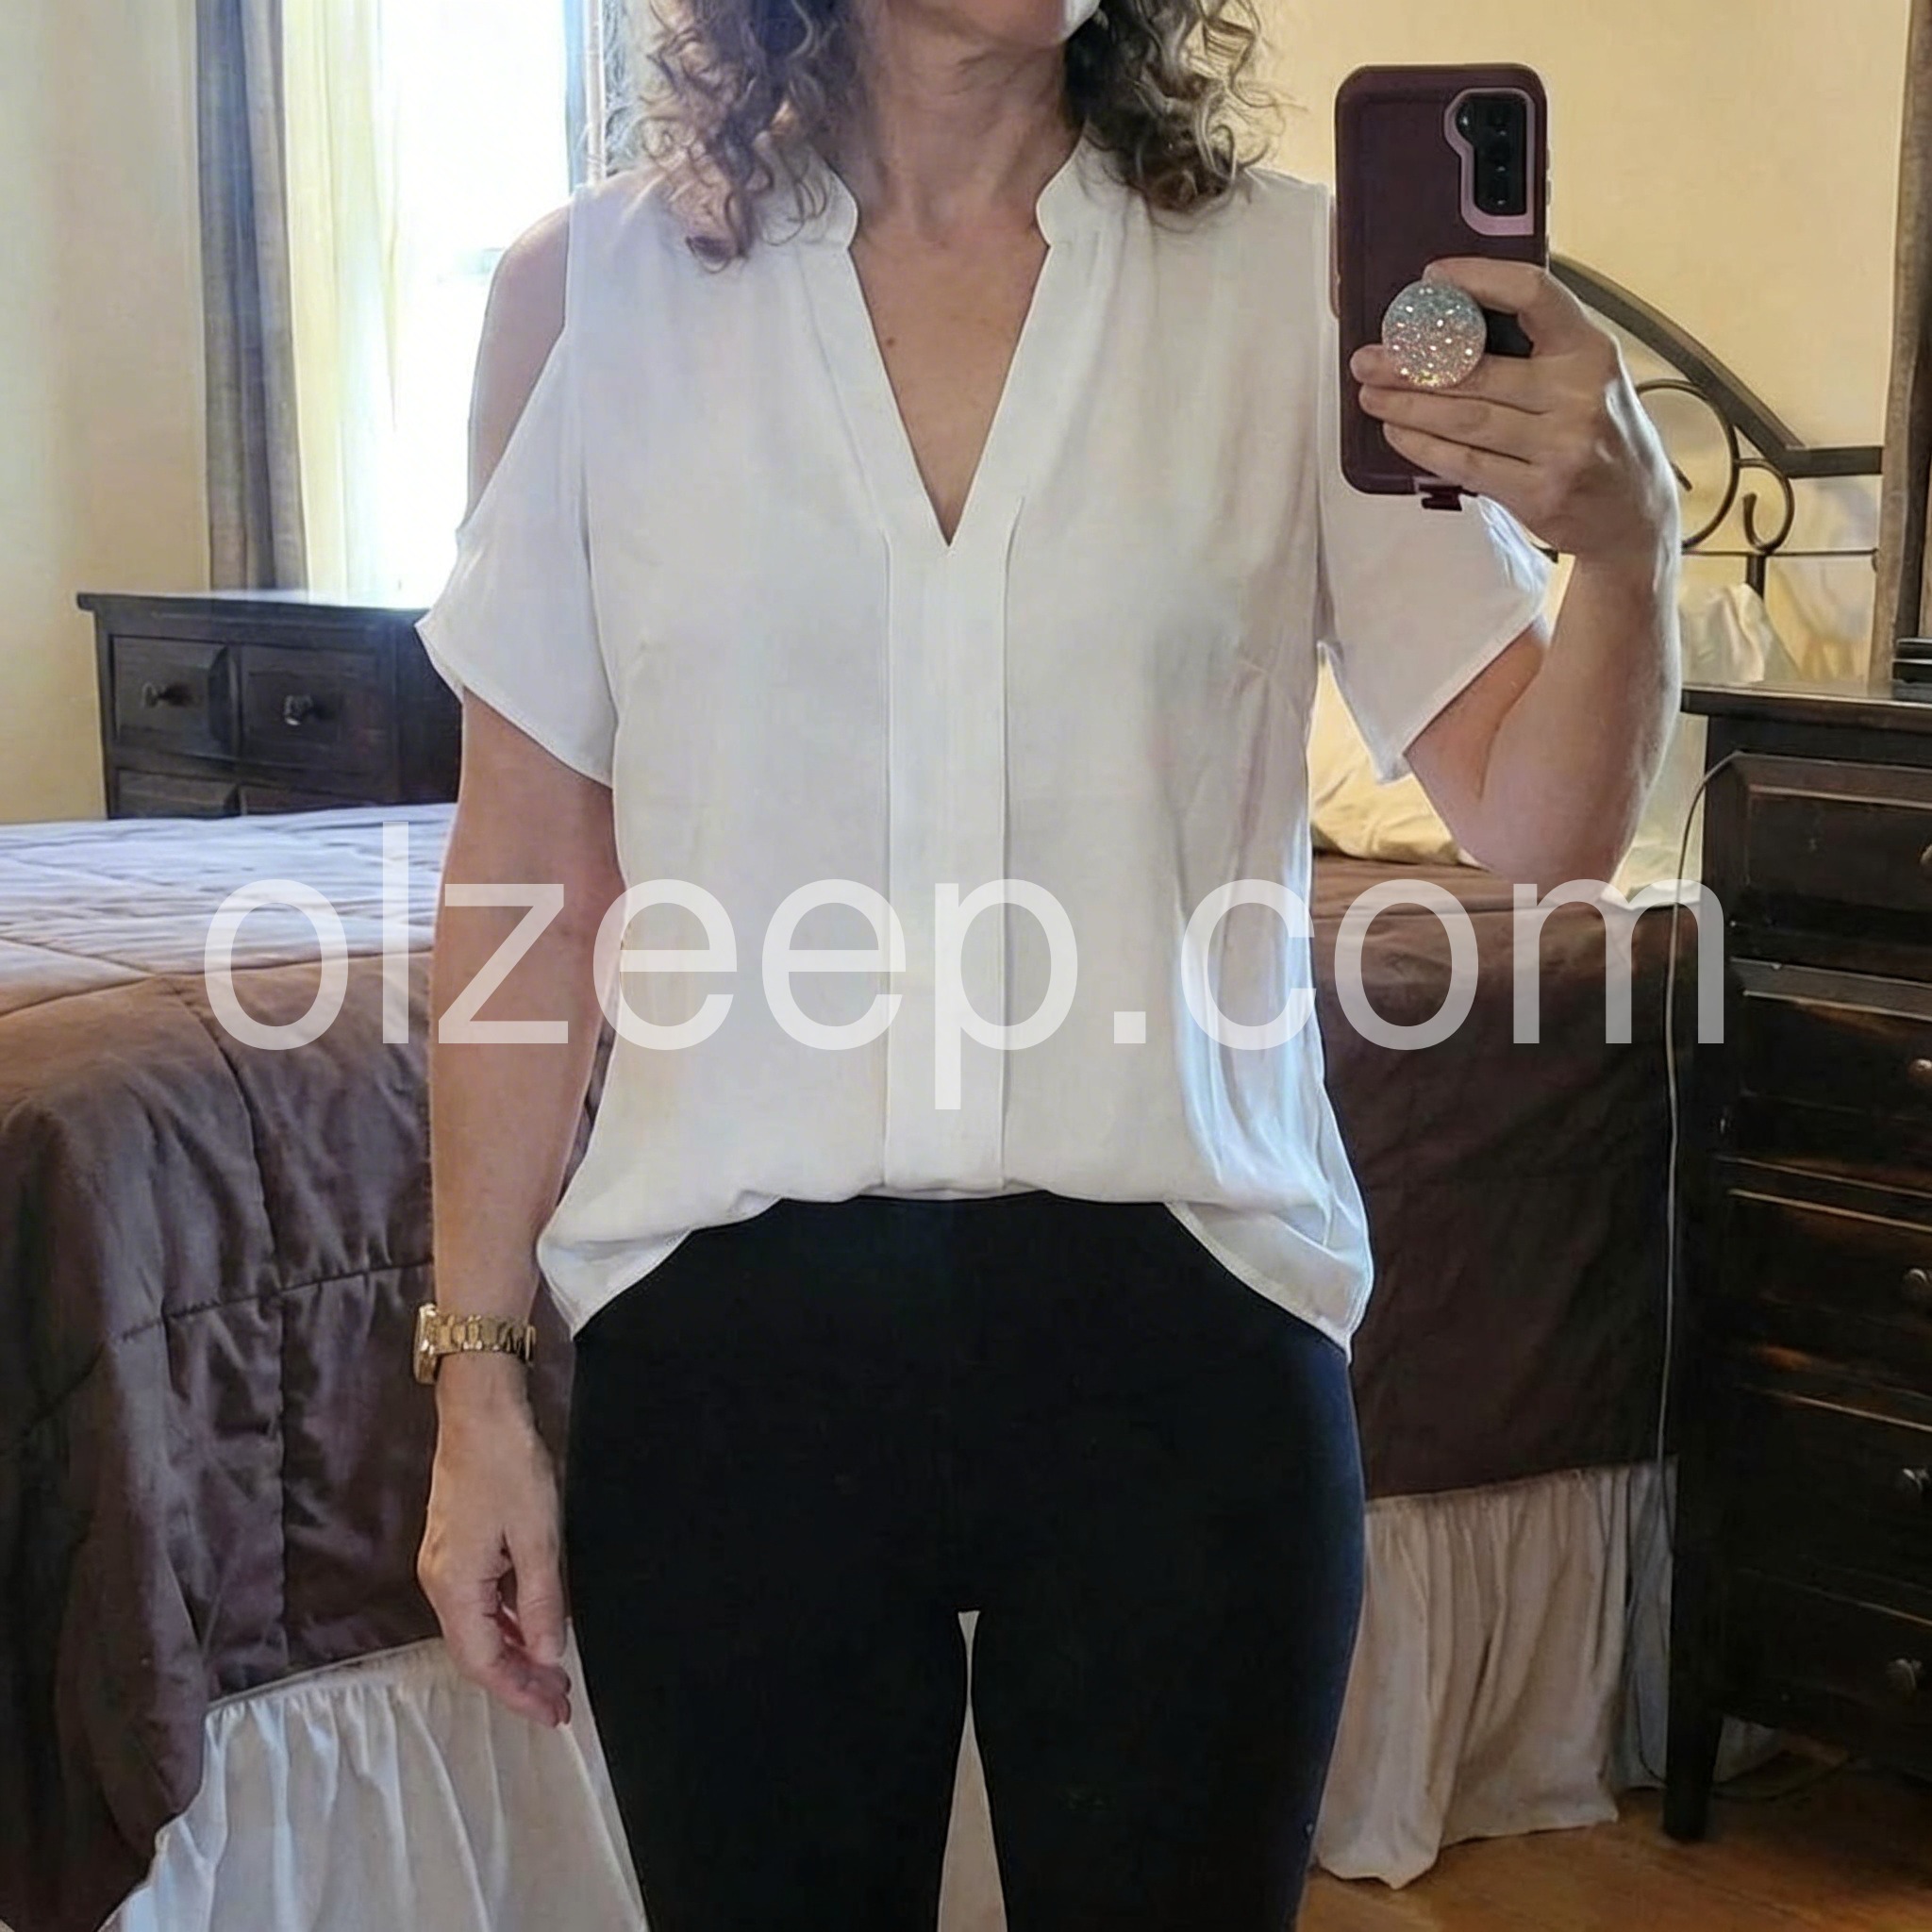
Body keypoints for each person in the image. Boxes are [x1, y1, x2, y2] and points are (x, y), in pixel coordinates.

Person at [409, 0, 1679, 1920]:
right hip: (730, 1367)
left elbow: (1540, 824)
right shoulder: (592, 293)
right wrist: (477, 1377)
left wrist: (1629, 544)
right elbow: (523, 877)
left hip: (1188, 1349)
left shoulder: (1300, 289)